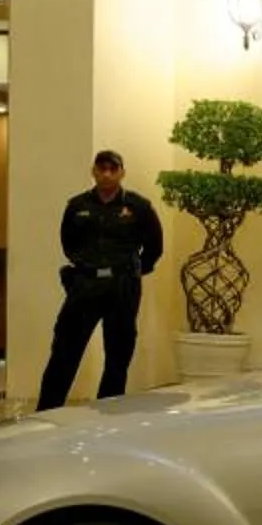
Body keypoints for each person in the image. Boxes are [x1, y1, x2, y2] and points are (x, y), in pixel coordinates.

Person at [38, 149, 166, 410]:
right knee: (65, 349)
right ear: (93, 171)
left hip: (122, 286)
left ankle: (107, 414)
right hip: (86, 285)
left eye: (113, 169)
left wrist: (136, 270)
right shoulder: (77, 206)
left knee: (118, 353)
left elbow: (154, 245)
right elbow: (68, 243)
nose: (107, 174)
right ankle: (46, 412)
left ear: (122, 172)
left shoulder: (138, 206)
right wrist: (86, 266)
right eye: (102, 169)